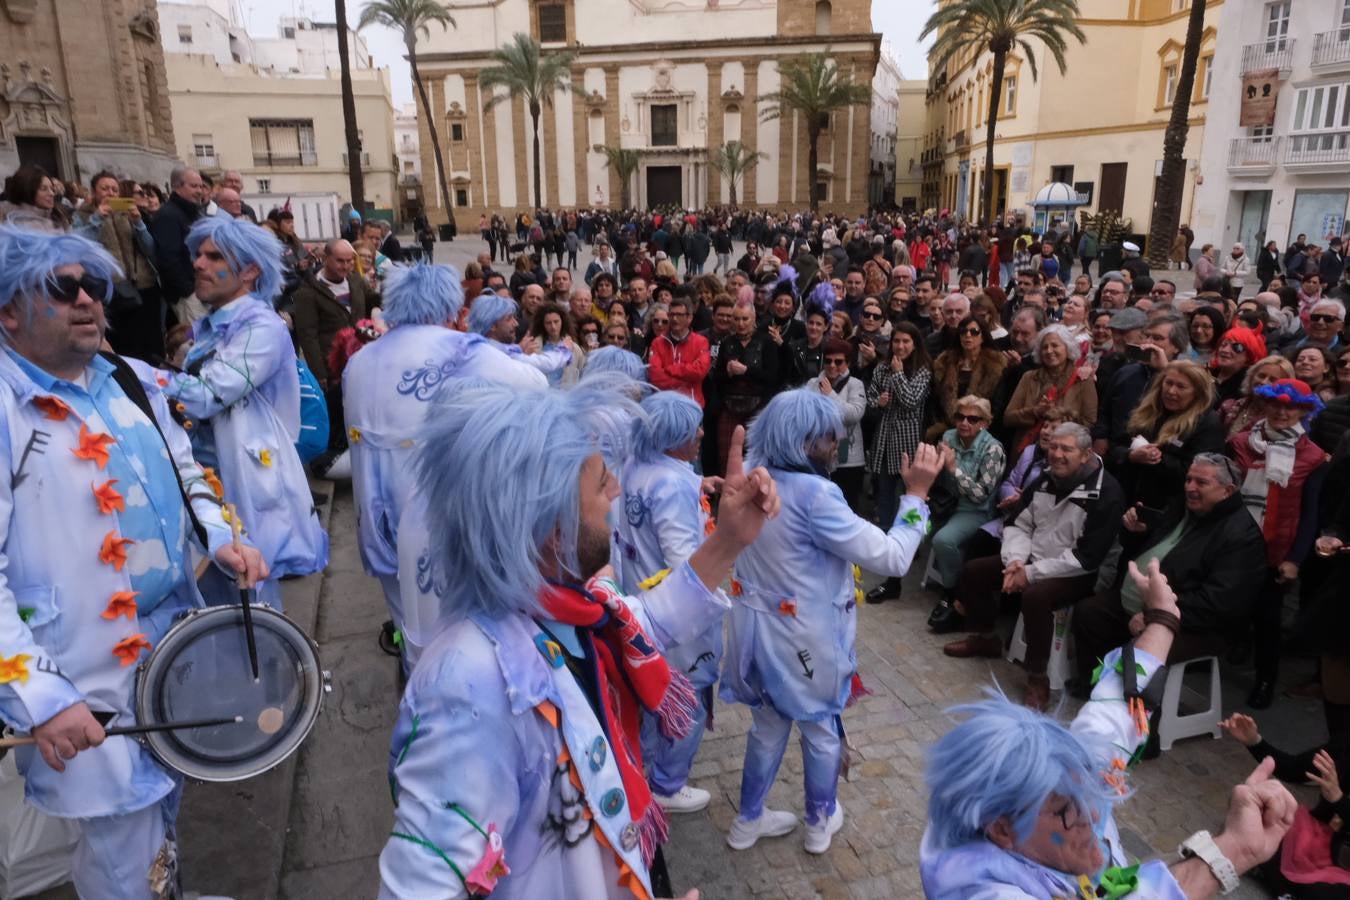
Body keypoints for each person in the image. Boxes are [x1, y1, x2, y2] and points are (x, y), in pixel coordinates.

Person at [377, 374, 778, 898]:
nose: (615, 488)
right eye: (599, 482)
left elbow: (646, 622)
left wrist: (728, 540)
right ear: (550, 523)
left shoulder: (568, 606)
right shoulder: (467, 684)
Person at [0, 226, 265, 900]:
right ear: (9, 309)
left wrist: (217, 536)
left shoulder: (126, 378)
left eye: (96, 286)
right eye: (64, 289)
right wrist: (38, 697)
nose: (88, 300)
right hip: (81, 670)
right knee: (119, 834)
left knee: (160, 802)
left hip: (168, 642)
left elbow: (186, 469)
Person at [922, 560, 1299, 899]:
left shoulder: (1068, 779)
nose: (1095, 812)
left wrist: (1163, 618)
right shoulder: (983, 891)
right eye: (1065, 812)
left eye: (1090, 786)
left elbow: (1115, 707)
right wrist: (1232, 851)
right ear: (1003, 830)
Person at [721, 389, 943, 855]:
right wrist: (917, 496)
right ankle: (820, 822)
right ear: (806, 442)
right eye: (830, 440)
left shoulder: (751, 479)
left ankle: (748, 821)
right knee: (820, 727)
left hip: (754, 633)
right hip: (804, 642)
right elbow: (893, 556)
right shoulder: (816, 495)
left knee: (766, 728)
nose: (837, 448)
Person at [157, 216, 329, 609]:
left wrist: (138, 376)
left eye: (214, 256)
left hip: (246, 486)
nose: (199, 264)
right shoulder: (212, 326)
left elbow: (206, 395)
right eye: (197, 254)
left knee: (252, 604)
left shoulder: (261, 328)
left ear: (250, 270)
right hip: (210, 482)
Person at [944, 422, 1124, 710]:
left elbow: (1087, 558)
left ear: (1086, 453)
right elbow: (1018, 523)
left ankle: (1037, 677)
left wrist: (1028, 574)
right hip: (1035, 557)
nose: (1057, 454)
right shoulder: (1043, 480)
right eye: (1053, 446)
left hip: (1084, 572)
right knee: (975, 570)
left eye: (1067, 448)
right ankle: (985, 637)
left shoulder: (1106, 493)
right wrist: (1015, 561)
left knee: (1036, 596)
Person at [610, 392, 725, 816]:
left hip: (639, 604)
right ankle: (667, 784)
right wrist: (724, 541)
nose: (700, 434)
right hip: (678, 620)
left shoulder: (635, 464)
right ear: (672, 438)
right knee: (686, 700)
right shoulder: (674, 483)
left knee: (650, 694)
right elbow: (685, 561)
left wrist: (700, 484)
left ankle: (639, 772)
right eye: (691, 429)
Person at [1074, 453, 1267, 696]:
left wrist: (1158, 617)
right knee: (1089, 613)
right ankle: (1097, 691)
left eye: (1201, 483)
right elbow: (1153, 554)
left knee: (1142, 652)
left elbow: (1218, 603)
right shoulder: (1182, 508)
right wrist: (1135, 533)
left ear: (1227, 491)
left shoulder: (1241, 536)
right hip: (1145, 602)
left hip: (1193, 622)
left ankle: (1140, 725)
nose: (1190, 488)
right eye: (1189, 480)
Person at [1230, 378, 1330, 708]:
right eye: (1277, 404)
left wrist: (1295, 559)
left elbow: (1311, 513)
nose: (1282, 412)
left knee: (1269, 620)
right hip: (1236, 542)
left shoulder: (1313, 457)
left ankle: (1265, 680)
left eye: (1291, 407)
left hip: (1277, 547)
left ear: (1303, 411)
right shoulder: (1242, 442)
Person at [925, 396, 1006, 618]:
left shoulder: (993, 449)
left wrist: (954, 469)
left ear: (984, 423)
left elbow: (981, 495)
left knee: (943, 540)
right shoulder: (949, 437)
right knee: (910, 521)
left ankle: (953, 591)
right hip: (945, 502)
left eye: (973, 418)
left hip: (975, 510)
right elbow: (937, 475)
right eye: (960, 417)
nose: (964, 423)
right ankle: (893, 584)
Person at [72, 171, 163, 363]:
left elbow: (150, 249)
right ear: (94, 191)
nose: (110, 193)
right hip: (111, 289)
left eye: (114, 189)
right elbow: (79, 247)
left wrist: (138, 222)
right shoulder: (82, 215)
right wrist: (97, 219)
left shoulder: (129, 212)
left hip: (143, 285)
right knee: (122, 343)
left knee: (149, 340)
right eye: (104, 188)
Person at [867, 322, 933, 539]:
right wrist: (879, 402)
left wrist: (898, 374)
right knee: (884, 493)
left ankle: (909, 537)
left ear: (914, 344)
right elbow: (870, 397)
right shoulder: (881, 367)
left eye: (906, 341)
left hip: (908, 444)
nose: (900, 346)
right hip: (884, 440)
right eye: (896, 341)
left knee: (909, 495)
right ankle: (886, 535)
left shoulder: (922, 370)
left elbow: (911, 400)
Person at [1003, 325, 1098, 454]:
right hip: (1027, 452)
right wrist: (1035, 411)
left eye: (1055, 345)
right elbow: (1008, 417)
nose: (1049, 351)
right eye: (1044, 347)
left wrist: (1058, 419)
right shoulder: (1029, 377)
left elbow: (1089, 422)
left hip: (1064, 453)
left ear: (1067, 348)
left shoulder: (1083, 380)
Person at [715, 301, 778, 473]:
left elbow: (773, 377)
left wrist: (747, 371)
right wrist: (727, 372)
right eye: (736, 319)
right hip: (730, 405)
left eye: (745, 319)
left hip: (758, 407)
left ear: (753, 318)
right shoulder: (727, 342)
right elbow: (716, 379)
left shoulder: (766, 342)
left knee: (755, 457)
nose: (740, 323)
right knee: (727, 458)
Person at [809, 338, 866, 514]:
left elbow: (854, 415)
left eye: (838, 362)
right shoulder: (812, 384)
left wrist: (830, 395)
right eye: (828, 361)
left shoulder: (855, 384)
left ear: (847, 362)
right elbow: (806, 417)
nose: (832, 365)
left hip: (848, 459)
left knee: (847, 511)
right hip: (818, 457)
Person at [927, 315, 1005, 441]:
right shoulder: (944, 363)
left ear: (983, 336)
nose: (968, 335)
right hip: (945, 431)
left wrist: (974, 425)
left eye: (974, 332)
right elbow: (934, 400)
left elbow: (997, 404)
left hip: (980, 432)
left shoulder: (995, 366)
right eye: (963, 332)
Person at [149, 167, 206, 315]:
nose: (199, 191)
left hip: (200, 286)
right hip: (187, 295)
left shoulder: (194, 212)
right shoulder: (168, 216)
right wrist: (188, 290)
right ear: (176, 187)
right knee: (194, 336)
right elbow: (168, 258)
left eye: (201, 186)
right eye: (194, 186)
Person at [648, 295, 711, 405]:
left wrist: (672, 369)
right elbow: (656, 377)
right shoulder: (657, 343)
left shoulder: (701, 342)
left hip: (692, 406)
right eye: (671, 314)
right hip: (664, 404)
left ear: (689, 317)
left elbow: (699, 372)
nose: (675, 319)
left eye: (679, 315)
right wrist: (686, 380)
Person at [1220, 354, 1295, 439]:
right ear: (1252, 376)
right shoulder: (1229, 407)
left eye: (1273, 380)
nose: (1264, 382)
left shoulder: (1279, 420)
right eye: (1261, 376)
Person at [0, 164, 67, 233]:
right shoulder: (19, 228)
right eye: (43, 189)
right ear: (27, 191)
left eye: (52, 188)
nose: (52, 193)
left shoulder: (56, 215)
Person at [532, 303, 584, 387]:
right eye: (548, 323)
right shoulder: (534, 348)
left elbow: (583, 374)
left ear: (562, 321)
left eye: (556, 322)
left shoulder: (574, 349)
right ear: (542, 325)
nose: (553, 326)